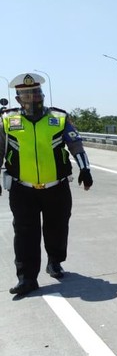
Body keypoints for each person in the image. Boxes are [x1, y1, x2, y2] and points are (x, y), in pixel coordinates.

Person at [0, 73, 93, 298]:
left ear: (42, 94)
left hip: (57, 187)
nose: (32, 97)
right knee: (24, 233)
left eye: (35, 92)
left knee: (57, 228)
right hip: (22, 188)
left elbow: (76, 144)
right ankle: (27, 278)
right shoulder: (7, 120)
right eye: (26, 94)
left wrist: (85, 169)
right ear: (18, 98)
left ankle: (55, 262)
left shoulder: (59, 118)